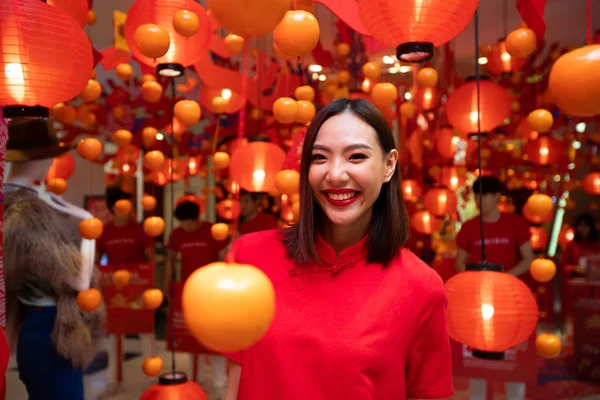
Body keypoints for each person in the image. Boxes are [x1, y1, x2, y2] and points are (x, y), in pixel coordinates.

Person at [224, 98, 453, 400]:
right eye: (320, 158)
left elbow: (428, 393)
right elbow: (237, 377)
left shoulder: (420, 286)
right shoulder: (250, 256)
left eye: (355, 157)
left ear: (388, 165)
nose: (335, 175)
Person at [3, 119, 104, 399]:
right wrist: (87, 226)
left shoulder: (18, 205)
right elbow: (79, 282)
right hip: (53, 331)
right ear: (47, 159)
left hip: (34, 326)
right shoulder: (27, 212)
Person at [455, 176, 535, 400]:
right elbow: (460, 260)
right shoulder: (470, 227)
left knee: (512, 356)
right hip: (479, 301)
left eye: (486, 195)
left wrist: (506, 280)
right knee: (476, 354)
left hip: (511, 300)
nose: (481, 200)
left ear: (496, 196)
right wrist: (470, 282)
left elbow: (528, 258)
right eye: (477, 195)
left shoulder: (515, 223)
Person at [96, 185, 155, 397]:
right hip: (113, 290)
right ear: (113, 209)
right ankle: (113, 381)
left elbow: (151, 258)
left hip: (139, 289)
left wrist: (150, 284)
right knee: (114, 337)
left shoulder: (139, 229)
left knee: (145, 333)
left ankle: (152, 379)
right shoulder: (104, 230)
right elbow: (96, 261)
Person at [165, 198, 228, 389]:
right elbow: (170, 261)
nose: (187, 227)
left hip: (211, 290)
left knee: (214, 336)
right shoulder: (176, 234)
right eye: (183, 223)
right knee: (193, 336)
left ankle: (220, 382)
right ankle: (197, 380)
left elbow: (224, 258)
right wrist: (167, 285)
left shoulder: (213, 231)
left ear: (198, 218)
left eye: (190, 223)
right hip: (188, 291)